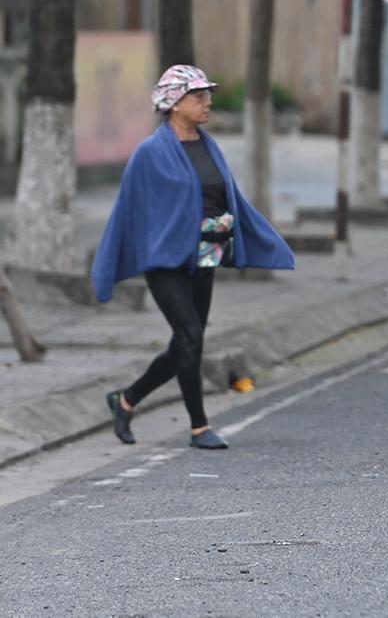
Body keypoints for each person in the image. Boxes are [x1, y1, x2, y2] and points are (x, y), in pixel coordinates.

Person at [93, 65, 296, 450]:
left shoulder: (209, 145)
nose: (207, 103)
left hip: (206, 252)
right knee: (189, 336)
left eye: (207, 95)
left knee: (189, 342)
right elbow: (128, 211)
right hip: (165, 258)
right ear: (173, 104)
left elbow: (227, 195)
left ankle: (125, 400)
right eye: (197, 96)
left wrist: (243, 232)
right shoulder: (150, 153)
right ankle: (199, 427)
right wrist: (110, 265)